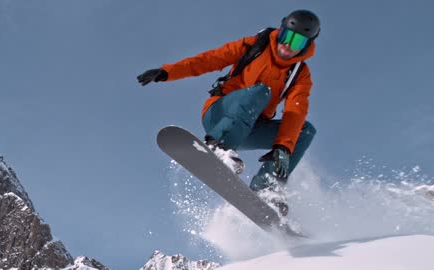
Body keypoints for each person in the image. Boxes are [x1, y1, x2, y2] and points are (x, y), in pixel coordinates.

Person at [137, 10, 320, 215]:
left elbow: (296, 110)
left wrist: (284, 147)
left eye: (297, 42)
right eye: (287, 36)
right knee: (261, 92)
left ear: (307, 46)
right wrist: (167, 72)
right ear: (280, 31)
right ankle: (219, 147)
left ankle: (267, 189)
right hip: (220, 115)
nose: (287, 45)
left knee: (304, 132)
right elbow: (209, 59)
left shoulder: (300, 74)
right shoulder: (254, 45)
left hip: (251, 128)